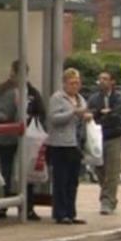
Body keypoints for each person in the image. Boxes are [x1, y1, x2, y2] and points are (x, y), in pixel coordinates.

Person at [0, 61, 45, 221]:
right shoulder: (2, 90)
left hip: (26, 140)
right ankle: (3, 207)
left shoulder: (32, 92)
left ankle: (28, 208)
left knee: (27, 173)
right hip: (6, 139)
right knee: (5, 173)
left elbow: (41, 113)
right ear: (12, 72)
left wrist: (33, 125)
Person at [47, 68, 92, 225]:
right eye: (72, 83)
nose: (75, 86)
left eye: (77, 82)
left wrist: (85, 117)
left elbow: (83, 114)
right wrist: (73, 113)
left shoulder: (80, 99)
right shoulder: (58, 98)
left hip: (76, 143)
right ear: (65, 83)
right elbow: (53, 118)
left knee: (73, 180)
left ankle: (71, 212)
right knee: (61, 179)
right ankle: (60, 213)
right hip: (60, 144)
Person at [87, 72, 121, 215]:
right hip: (97, 138)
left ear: (112, 82)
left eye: (105, 79)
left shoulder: (118, 99)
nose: (102, 81)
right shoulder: (94, 99)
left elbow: (117, 117)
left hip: (113, 137)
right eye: (100, 79)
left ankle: (107, 201)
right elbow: (91, 115)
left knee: (112, 171)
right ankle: (109, 197)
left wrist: (102, 116)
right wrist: (101, 113)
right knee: (99, 170)